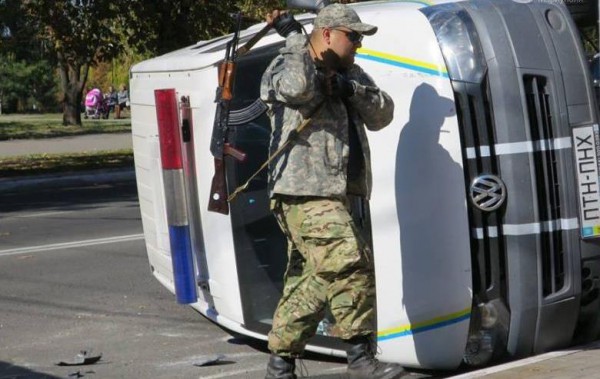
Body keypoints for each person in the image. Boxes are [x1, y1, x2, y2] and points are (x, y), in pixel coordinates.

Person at [260, 4, 404, 379]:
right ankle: (360, 360)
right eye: (353, 36)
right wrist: (294, 39)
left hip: (338, 193)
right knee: (349, 262)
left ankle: (279, 365)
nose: (358, 44)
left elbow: (383, 113)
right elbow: (297, 88)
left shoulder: (349, 72)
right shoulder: (287, 65)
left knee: (316, 280)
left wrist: (350, 89)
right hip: (300, 191)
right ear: (327, 34)